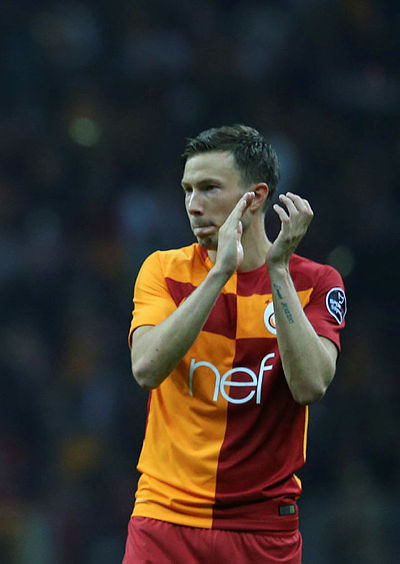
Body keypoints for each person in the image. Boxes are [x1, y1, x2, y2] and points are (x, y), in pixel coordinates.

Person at [123, 125, 346, 563]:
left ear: (256, 197)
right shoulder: (163, 270)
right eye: (187, 190)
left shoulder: (316, 282)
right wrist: (219, 272)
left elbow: (310, 385)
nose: (194, 205)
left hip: (262, 529)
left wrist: (278, 270)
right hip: (165, 519)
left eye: (209, 188)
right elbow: (145, 368)